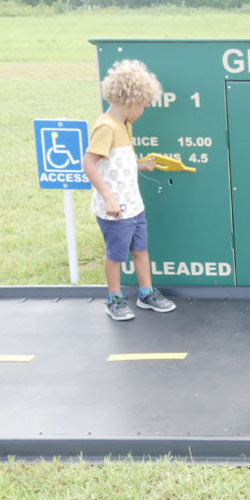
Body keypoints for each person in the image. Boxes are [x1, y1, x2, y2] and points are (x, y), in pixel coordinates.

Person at [82, 59, 176, 321]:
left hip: (134, 205)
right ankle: (114, 298)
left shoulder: (124, 125)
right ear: (132, 102)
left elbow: (116, 163)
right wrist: (109, 198)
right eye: (144, 107)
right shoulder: (105, 127)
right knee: (115, 254)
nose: (143, 111)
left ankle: (146, 293)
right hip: (115, 210)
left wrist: (139, 166)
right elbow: (89, 163)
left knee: (141, 249)